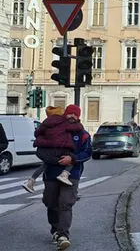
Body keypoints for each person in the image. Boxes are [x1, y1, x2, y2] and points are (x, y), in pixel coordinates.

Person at [42, 104, 92, 250]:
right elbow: (42, 149)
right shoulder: (55, 130)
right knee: (51, 202)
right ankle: (55, 230)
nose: (71, 117)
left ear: (78, 117)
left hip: (72, 174)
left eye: (74, 115)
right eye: (69, 114)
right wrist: (53, 159)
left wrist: (72, 159)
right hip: (51, 173)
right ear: (65, 115)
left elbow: (87, 152)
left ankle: (63, 235)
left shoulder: (83, 134)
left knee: (65, 203)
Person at [22, 107, 83, 193]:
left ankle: (31, 181)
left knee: (45, 165)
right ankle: (64, 175)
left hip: (48, 149)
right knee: (71, 158)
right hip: (60, 148)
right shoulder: (63, 123)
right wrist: (80, 125)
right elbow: (76, 127)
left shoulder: (45, 123)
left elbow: (37, 133)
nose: (72, 116)